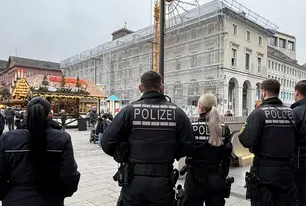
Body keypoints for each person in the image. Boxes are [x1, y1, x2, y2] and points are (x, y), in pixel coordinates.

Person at [101, 70, 196, 206]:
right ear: (161, 88)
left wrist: (123, 154)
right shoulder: (178, 113)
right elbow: (189, 146)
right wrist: (172, 152)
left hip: (133, 181)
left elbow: (106, 143)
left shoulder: (129, 111)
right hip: (163, 181)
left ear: (140, 88)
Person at [0, 97, 80, 205]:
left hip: (15, 198)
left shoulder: (7, 138)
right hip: (51, 198)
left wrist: (6, 194)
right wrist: (61, 193)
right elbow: (69, 174)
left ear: (26, 113)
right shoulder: (62, 138)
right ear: (49, 114)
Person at [239, 79, 296, 206]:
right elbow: (301, 139)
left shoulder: (258, 113)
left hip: (264, 171)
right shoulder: (291, 113)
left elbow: (247, 140)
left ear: (263, 92)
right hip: (287, 170)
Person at [183, 93, 232, 206]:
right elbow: (227, 153)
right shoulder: (224, 128)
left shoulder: (191, 126)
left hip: (195, 178)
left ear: (200, 107)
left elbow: (185, 149)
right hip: (217, 178)